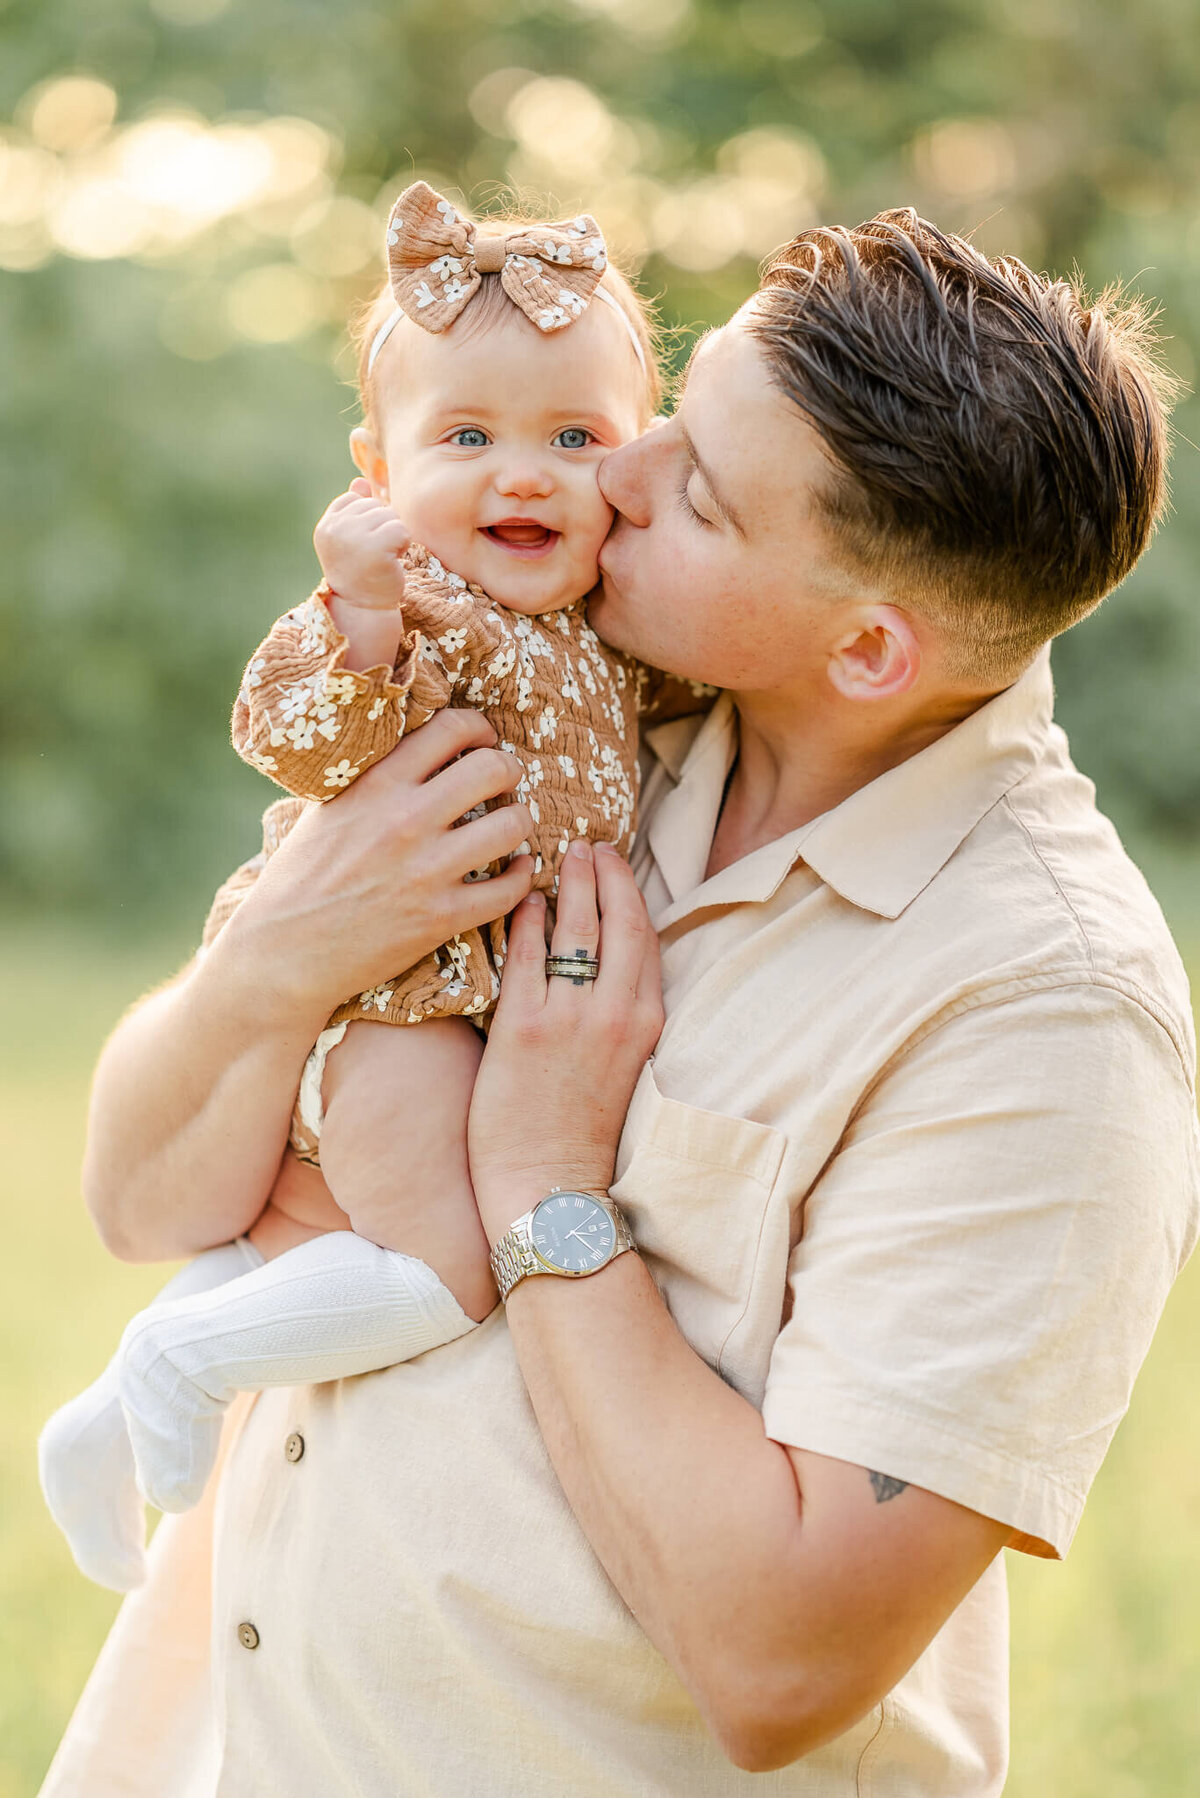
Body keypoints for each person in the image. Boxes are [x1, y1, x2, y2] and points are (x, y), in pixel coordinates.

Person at [41, 211, 1199, 1797]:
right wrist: (284, 946)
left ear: (868, 648)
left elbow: (780, 1660)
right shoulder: (554, 703)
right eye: (675, 412)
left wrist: (542, 1176)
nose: (619, 472)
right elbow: (143, 1197)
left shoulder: (1046, 1010)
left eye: (699, 491)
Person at [38, 178, 704, 1592]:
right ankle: (176, 1361)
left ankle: (98, 1420)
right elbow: (288, 732)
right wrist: (359, 607)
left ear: (636, 465)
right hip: (403, 996)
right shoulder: (417, 611)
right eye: (465, 436)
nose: (520, 473)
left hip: (479, 1016)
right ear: (375, 472)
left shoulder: (614, 630)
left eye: (573, 438)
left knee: (326, 1232)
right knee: (447, 1268)